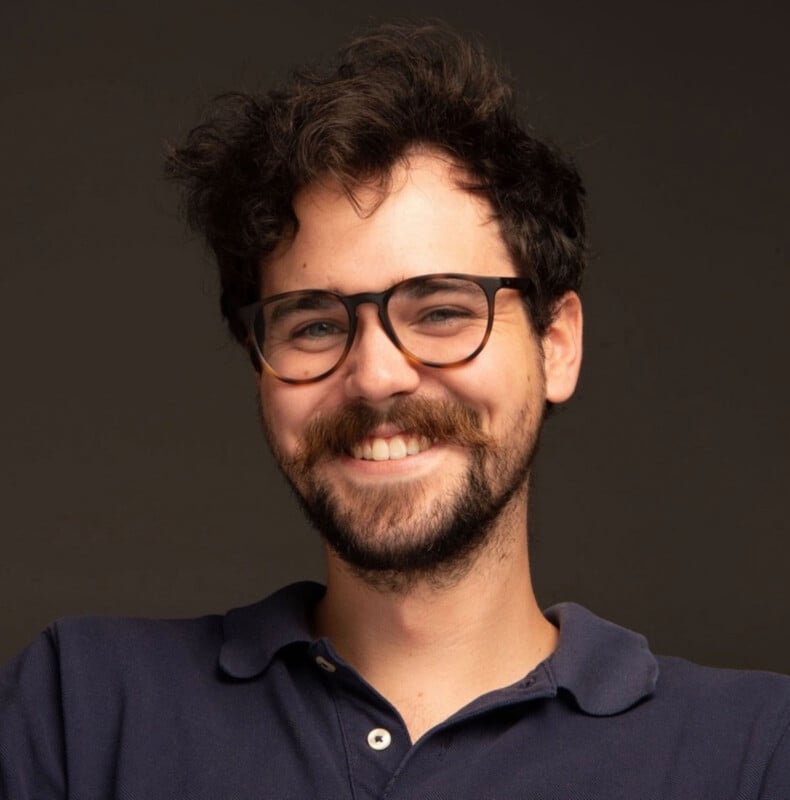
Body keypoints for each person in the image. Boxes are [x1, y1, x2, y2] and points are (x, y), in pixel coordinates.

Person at [1, 21, 788, 800]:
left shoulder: (754, 753)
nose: (376, 377)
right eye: (313, 324)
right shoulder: (84, 714)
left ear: (557, 345)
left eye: (441, 311)